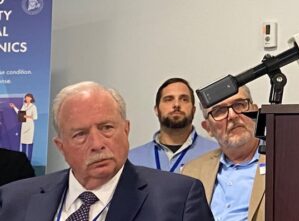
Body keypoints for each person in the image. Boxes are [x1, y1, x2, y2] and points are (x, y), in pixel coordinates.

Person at [0, 81, 214, 221]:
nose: (97, 143)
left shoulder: (178, 199)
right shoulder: (14, 200)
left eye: (107, 128)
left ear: (126, 130)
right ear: (61, 147)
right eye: (80, 134)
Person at [182, 85, 265, 221]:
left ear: (255, 112)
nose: (232, 116)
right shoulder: (191, 172)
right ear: (208, 128)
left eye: (239, 105)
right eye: (219, 111)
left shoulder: (282, 162)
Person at [128, 78, 217, 173]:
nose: (176, 104)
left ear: (194, 110)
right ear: (156, 110)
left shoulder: (215, 153)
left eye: (184, 99)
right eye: (168, 99)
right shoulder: (131, 159)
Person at [9, 93, 37, 161]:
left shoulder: (33, 107)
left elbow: (35, 117)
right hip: (24, 125)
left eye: (28, 97)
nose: (26, 99)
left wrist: (26, 116)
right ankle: (23, 160)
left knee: (30, 143)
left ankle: (29, 160)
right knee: (23, 143)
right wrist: (14, 107)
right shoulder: (24, 106)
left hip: (30, 126)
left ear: (31, 98)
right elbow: (20, 113)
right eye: (26, 97)